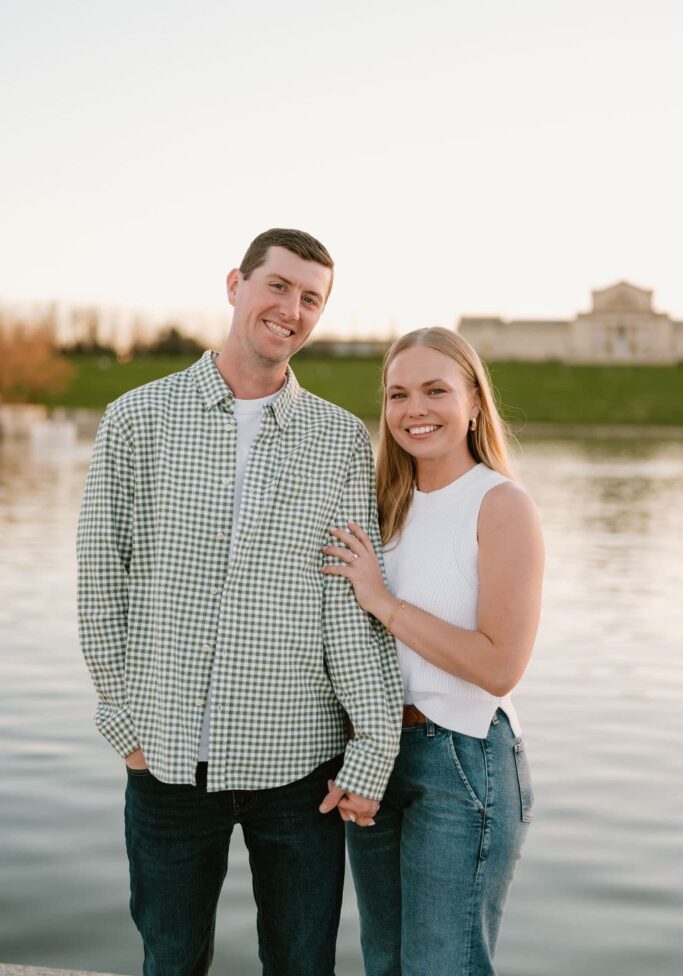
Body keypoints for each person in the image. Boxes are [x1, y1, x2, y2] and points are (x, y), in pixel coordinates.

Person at [77, 228, 403, 976]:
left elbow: (347, 602)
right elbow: (100, 577)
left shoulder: (340, 441)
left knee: (300, 964)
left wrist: (373, 744)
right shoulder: (137, 418)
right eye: (278, 286)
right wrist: (121, 718)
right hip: (163, 762)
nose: (291, 309)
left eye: (310, 298)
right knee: (171, 960)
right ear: (236, 283)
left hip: (298, 769)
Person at [322, 326, 544, 976]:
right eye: (396, 394)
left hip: (462, 759)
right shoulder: (380, 506)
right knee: (383, 963)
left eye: (434, 390)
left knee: (439, 968)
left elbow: (498, 664)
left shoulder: (500, 504)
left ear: (473, 401)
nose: (413, 409)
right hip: (375, 756)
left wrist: (383, 602)